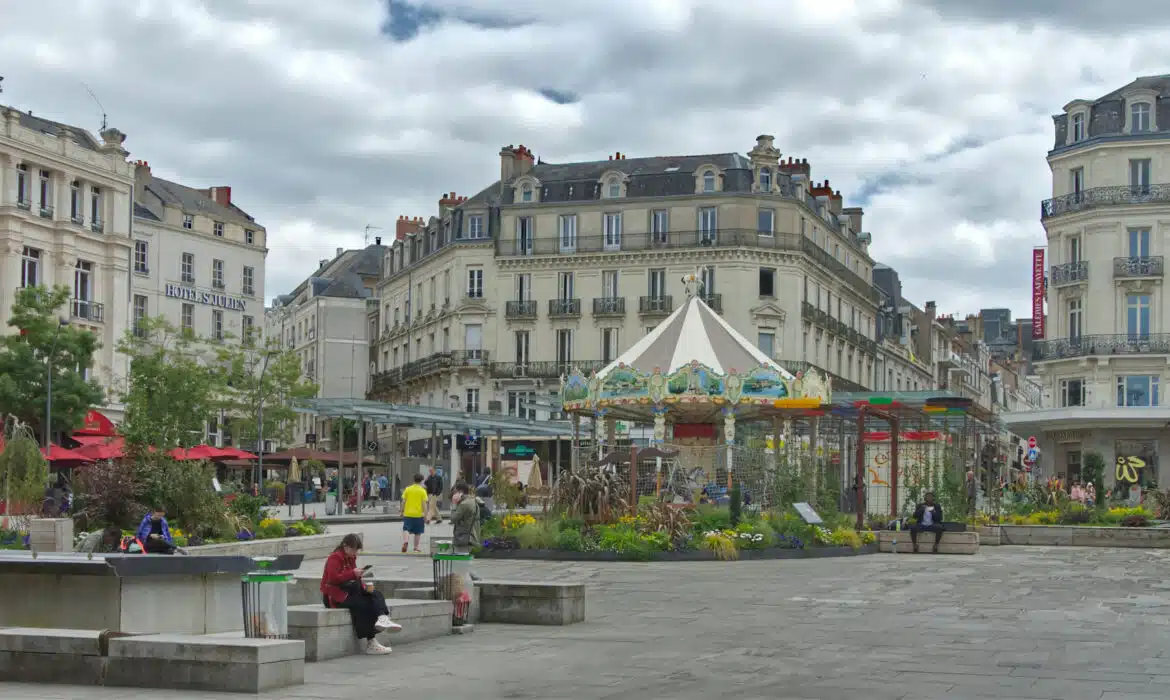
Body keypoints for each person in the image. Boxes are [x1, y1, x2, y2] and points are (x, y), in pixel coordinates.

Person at [320, 534, 401, 655]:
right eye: (353, 549)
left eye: (357, 550)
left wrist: (364, 586)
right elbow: (332, 579)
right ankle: (371, 642)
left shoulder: (351, 558)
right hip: (335, 595)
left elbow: (353, 577)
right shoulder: (335, 557)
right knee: (363, 604)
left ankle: (383, 618)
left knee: (375, 594)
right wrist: (353, 574)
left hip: (350, 590)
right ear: (345, 546)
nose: (355, 552)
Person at [450, 482, 482, 581]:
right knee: (463, 556)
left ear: (460, 492)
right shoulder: (472, 501)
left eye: (455, 491)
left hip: (464, 535)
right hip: (470, 533)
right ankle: (470, 575)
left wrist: (454, 505)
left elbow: (453, 518)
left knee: (461, 557)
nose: (454, 494)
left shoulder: (464, 504)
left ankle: (471, 575)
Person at [401, 473, 429, 553]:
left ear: (413, 480)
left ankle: (406, 541)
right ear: (421, 481)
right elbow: (424, 505)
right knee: (418, 532)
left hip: (408, 514)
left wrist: (401, 511)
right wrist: (425, 516)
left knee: (406, 529)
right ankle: (416, 547)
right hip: (418, 515)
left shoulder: (408, 489)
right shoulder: (422, 491)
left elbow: (403, 501)